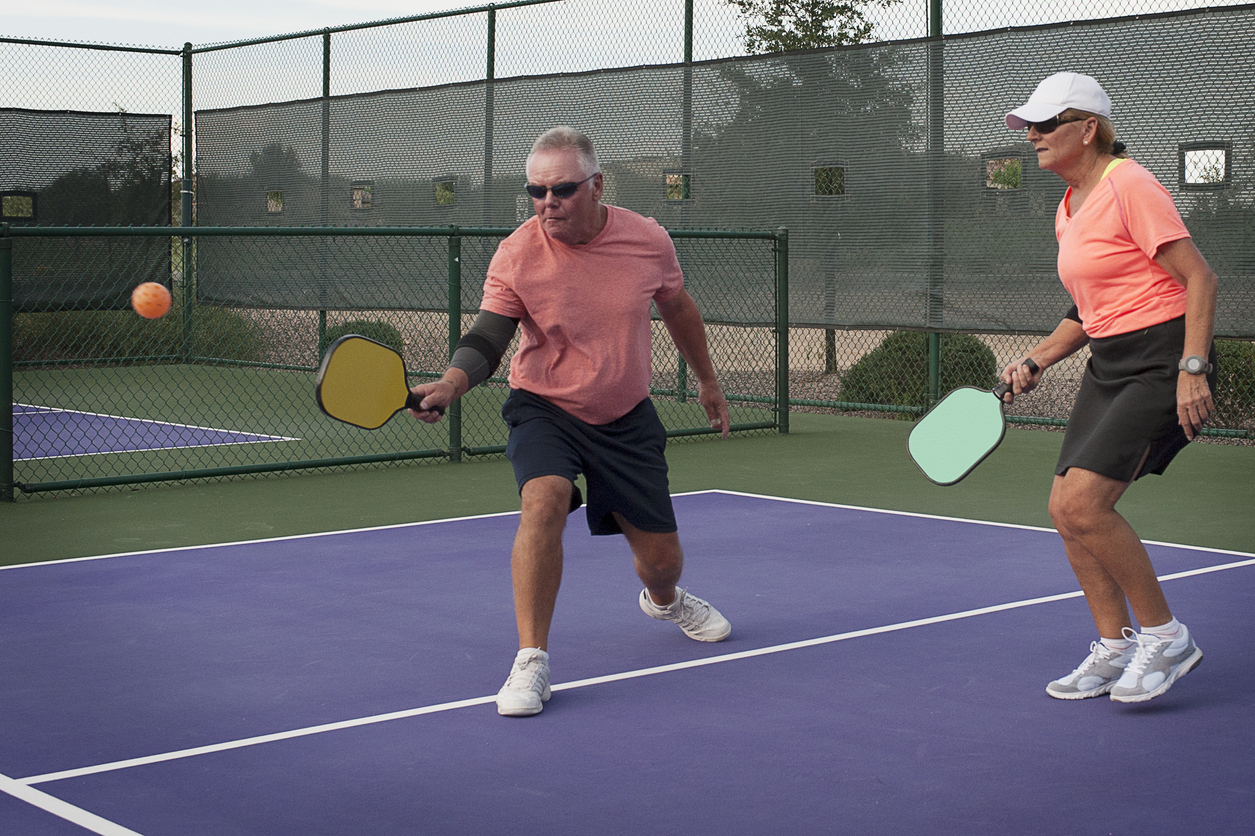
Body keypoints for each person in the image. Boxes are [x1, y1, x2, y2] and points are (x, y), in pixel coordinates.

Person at [408, 126, 734, 717]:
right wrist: (452, 383)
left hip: (626, 415)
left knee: (662, 560)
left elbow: (679, 308)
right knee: (545, 499)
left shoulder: (646, 239)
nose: (547, 203)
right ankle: (531, 659)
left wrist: (708, 382)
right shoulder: (517, 252)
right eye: (535, 191)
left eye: (561, 189)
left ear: (596, 185)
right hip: (545, 407)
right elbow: (490, 334)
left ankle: (663, 600)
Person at [1001, 72, 1218, 703]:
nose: (1033, 136)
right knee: (1063, 510)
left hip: (1162, 359)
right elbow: (1088, 308)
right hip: (1109, 363)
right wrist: (1039, 359)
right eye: (1030, 127)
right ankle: (1117, 646)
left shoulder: (1129, 182)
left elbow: (1199, 278)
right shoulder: (1069, 207)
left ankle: (1166, 636)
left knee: (1084, 506)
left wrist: (1192, 367)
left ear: (1088, 128)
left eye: (1046, 125)